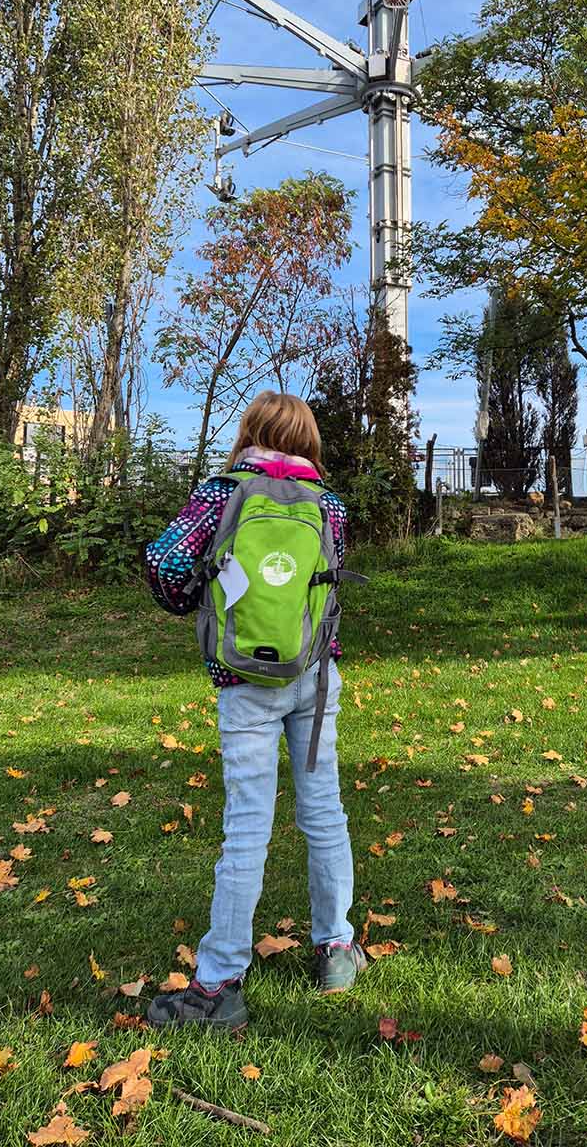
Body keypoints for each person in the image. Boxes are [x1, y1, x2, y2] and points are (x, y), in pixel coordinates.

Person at [143, 392, 364, 1029]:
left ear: (250, 432)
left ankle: (217, 986)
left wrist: (197, 601)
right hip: (316, 678)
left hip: (244, 684)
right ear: (309, 440)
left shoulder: (221, 494)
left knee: (246, 827)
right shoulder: (329, 504)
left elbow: (164, 562)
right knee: (324, 811)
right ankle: (336, 950)